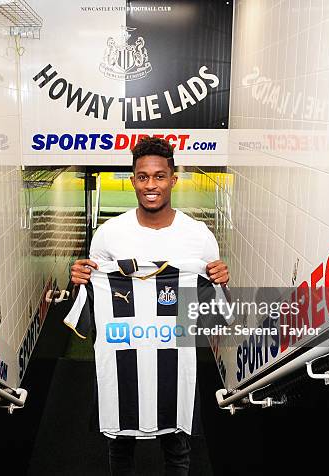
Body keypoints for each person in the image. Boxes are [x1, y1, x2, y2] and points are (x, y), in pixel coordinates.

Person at [70, 136, 229, 476]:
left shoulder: (198, 235)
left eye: (159, 176)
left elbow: (216, 310)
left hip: (173, 358)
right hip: (123, 358)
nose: (151, 185)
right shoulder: (109, 234)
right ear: (132, 181)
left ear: (174, 179)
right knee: (120, 443)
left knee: (177, 447)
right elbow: (94, 291)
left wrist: (220, 279)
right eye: (143, 177)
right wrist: (81, 277)